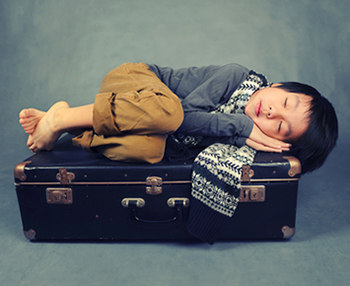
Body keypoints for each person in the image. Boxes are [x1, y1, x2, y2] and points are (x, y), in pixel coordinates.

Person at [19, 62, 338, 174]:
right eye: (282, 101)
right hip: (135, 82)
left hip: (135, 117)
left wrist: (240, 137)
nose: (271, 112)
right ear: (276, 86)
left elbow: (171, 141)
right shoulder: (236, 76)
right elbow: (182, 119)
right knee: (168, 113)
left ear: (277, 143)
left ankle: (71, 123)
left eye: (280, 126)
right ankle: (60, 119)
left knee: (151, 152)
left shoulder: (244, 149)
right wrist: (239, 127)